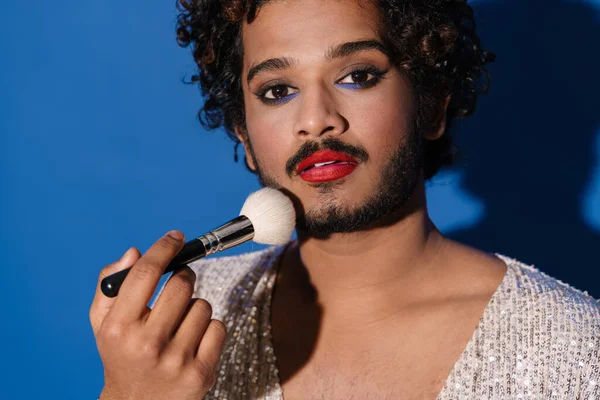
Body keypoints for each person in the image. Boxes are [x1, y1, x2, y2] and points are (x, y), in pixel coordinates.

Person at [89, 0, 600, 398]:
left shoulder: (574, 348)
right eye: (277, 90)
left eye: (357, 76)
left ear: (431, 105)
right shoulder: (179, 325)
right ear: (243, 135)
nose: (316, 119)